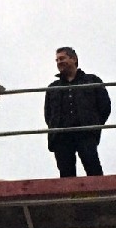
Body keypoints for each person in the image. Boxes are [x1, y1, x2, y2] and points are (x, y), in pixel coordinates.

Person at [44, 46, 111, 177]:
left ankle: (99, 191)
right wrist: (55, 127)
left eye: (62, 58)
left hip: (85, 133)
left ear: (74, 59)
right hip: (61, 136)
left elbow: (104, 106)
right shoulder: (53, 87)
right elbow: (48, 114)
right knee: (66, 175)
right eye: (57, 60)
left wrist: (93, 125)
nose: (59, 62)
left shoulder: (92, 80)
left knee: (93, 168)